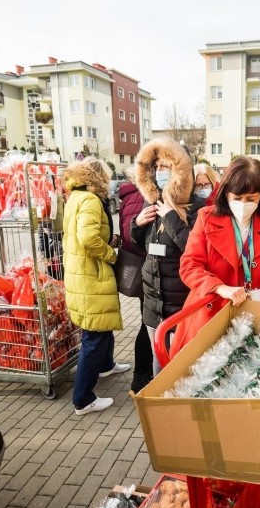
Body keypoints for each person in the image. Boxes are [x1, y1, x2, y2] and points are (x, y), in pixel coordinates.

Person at [172, 156, 260, 354]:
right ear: (226, 193)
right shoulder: (207, 217)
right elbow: (189, 265)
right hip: (210, 313)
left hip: (255, 315)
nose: (243, 204)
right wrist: (220, 287)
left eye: (251, 199)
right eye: (237, 198)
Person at [132, 137, 204, 373]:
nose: (160, 172)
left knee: (182, 366)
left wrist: (172, 218)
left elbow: (194, 248)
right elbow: (143, 246)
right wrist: (137, 224)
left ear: (179, 170)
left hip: (182, 304)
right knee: (158, 362)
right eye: (157, 167)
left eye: (165, 166)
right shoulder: (152, 201)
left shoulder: (196, 208)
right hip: (153, 303)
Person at [62, 158, 128, 416]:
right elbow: (88, 237)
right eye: (107, 177)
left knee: (101, 326)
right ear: (97, 177)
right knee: (94, 335)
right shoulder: (89, 200)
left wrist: (107, 239)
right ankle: (83, 399)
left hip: (82, 272)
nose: (110, 182)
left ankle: (106, 365)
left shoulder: (76, 197)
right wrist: (111, 253)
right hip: (91, 274)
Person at [118, 167, 155, 393]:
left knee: (147, 323)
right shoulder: (138, 197)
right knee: (147, 324)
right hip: (146, 269)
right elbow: (130, 238)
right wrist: (139, 225)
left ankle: (142, 376)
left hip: (148, 269)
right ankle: (141, 378)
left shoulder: (130, 195)